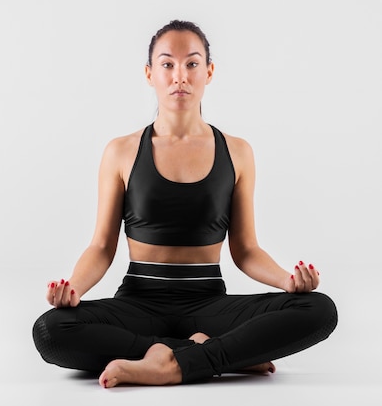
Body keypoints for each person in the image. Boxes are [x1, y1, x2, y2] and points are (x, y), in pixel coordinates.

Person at [31, 19, 338, 388]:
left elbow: (245, 249)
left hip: (209, 305)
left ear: (208, 72)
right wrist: (75, 289)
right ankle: (220, 354)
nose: (180, 75)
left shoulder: (237, 152)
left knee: (319, 308)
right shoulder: (121, 152)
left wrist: (288, 282)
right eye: (167, 64)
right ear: (149, 74)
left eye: (192, 64)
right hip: (138, 303)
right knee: (51, 329)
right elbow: (100, 247)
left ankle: (167, 362)